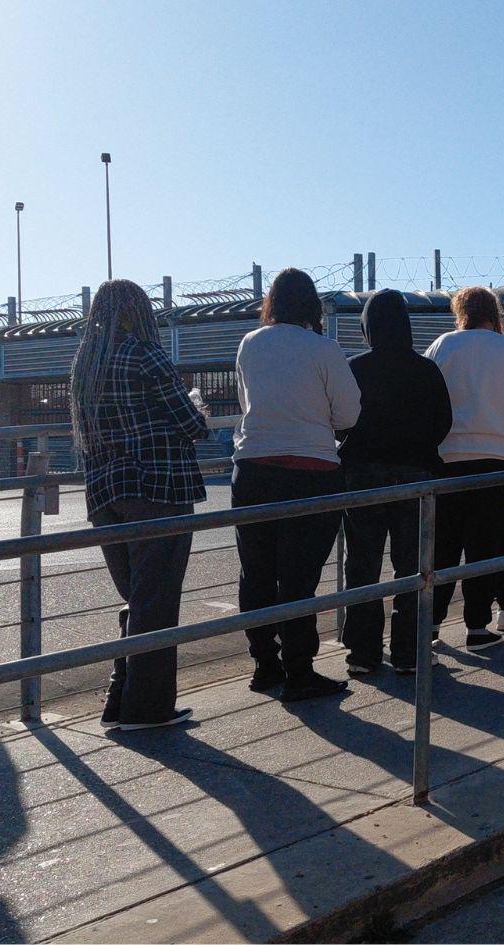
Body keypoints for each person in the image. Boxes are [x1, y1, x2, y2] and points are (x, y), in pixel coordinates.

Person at [71, 279, 208, 731]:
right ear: (139, 312)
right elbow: (190, 425)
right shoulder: (144, 354)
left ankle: (120, 697)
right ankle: (146, 710)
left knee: (139, 597)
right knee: (157, 599)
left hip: (105, 493)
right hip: (156, 488)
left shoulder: (85, 364)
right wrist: (198, 410)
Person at [232, 268, 362, 701]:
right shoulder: (325, 349)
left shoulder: (250, 344)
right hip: (311, 470)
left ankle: (264, 664)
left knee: (257, 573)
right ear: (311, 305)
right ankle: (300, 670)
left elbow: (246, 402)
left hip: (252, 469)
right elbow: (348, 416)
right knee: (299, 577)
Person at [426, 287, 504, 648]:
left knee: (444, 548)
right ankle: (477, 628)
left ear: (460, 312)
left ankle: (431, 626)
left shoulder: (440, 347)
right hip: (501, 461)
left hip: (448, 460)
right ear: (494, 313)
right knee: (487, 546)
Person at [338, 289, 452, 676]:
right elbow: (443, 423)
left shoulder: (354, 368)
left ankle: (363, 652)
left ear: (368, 327)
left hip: (363, 475)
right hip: (417, 475)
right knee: (413, 567)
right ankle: (409, 651)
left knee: (363, 566)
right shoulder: (426, 370)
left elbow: (340, 420)